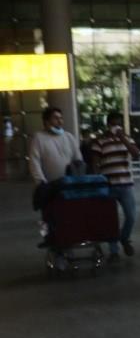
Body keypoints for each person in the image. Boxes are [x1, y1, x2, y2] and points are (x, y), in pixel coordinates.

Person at [28, 107, 83, 267]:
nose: (59, 121)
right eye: (55, 118)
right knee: (49, 220)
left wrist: (78, 177)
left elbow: (78, 160)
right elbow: (34, 161)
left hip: (69, 187)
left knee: (69, 219)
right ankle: (55, 249)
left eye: (60, 118)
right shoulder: (39, 138)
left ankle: (68, 247)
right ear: (46, 122)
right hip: (49, 188)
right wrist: (40, 181)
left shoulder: (69, 137)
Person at [91, 112, 140, 258]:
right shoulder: (100, 141)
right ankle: (114, 251)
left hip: (126, 184)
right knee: (111, 219)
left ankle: (124, 238)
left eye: (119, 124)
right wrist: (98, 181)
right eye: (114, 124)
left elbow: (136, 154)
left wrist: (122, 138)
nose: (116, 127)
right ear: (108, 125)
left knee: (131, 216)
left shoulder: (127, 138)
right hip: (108, 186)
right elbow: (95, 163)